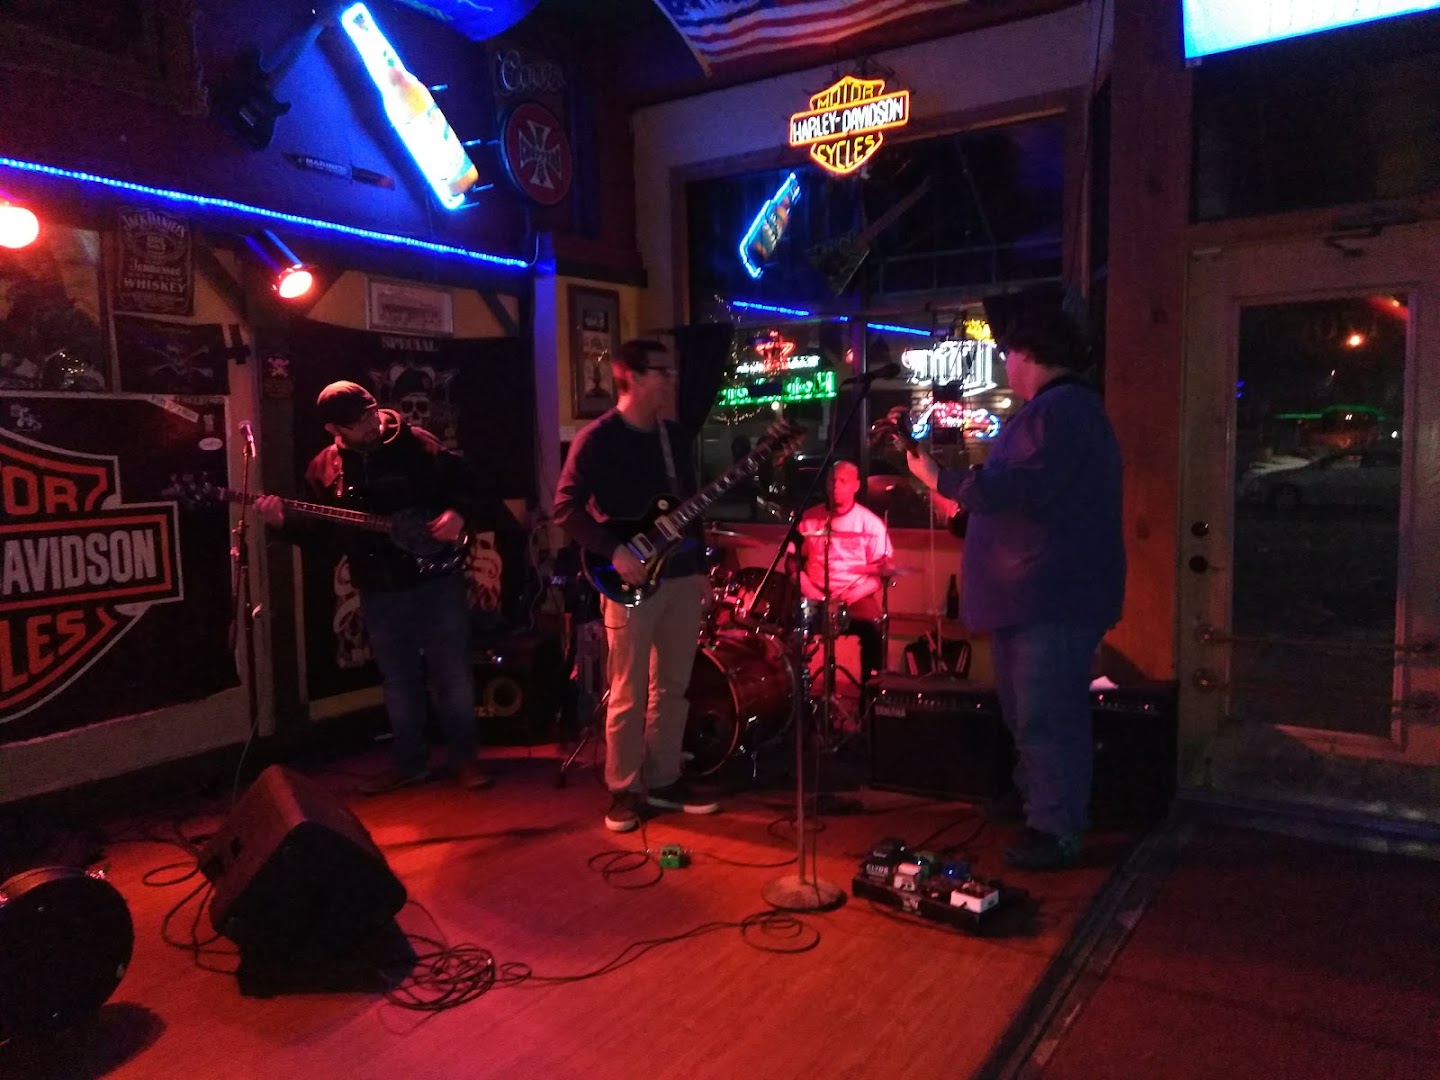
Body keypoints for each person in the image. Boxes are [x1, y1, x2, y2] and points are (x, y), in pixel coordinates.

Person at [895, 308, 1124, 870]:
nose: (1005, 364)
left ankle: (1056, 826)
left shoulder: (1061, 410)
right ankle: (1036, 802)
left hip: (1050, 597)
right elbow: (1032, 499)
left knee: (1048, 717)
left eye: (1008, 354)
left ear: (1030, 354)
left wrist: (939, 479)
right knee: (1030, 714)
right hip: (1034, 596)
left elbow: (1017, 488)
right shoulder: (1060, 410)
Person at [256, 380, 492, 795]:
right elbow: (321, 536)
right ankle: (411, 764)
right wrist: (282, 524)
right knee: (398, 679)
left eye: (370, 414)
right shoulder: (324, 468)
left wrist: (457, 513)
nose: (370, 424)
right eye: (358, 422)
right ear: (333, 429)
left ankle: (465, 759)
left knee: (452, 674)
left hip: (437, 577)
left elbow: (467, 483)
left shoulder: (418, 444)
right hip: (380, 586)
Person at [553, 339, 721, 832]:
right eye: (662, 371)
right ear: (632, 376)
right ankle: (623, 788)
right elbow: (565, 508)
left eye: (671, 370)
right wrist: (613, 551)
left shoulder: (674, 437)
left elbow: (689, 506)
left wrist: (701, 567)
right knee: (628, 689)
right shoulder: (598, 439)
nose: (671, 379)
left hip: (681, 576)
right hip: (627, 578)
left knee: (674, 687)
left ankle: (665, 779)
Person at [791, 460, 894, 685]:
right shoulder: (809, 518)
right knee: (786, 627)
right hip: (814, 594)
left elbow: (881, 571)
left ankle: (869, 696)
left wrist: (853, 595)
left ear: (856, 486)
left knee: (873, 628)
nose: (836, 485)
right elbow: (792, 562)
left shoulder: (870, 524)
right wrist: (810, 591)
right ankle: (798, 694)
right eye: (832, 480)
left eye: (843, 481)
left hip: (854, 596)